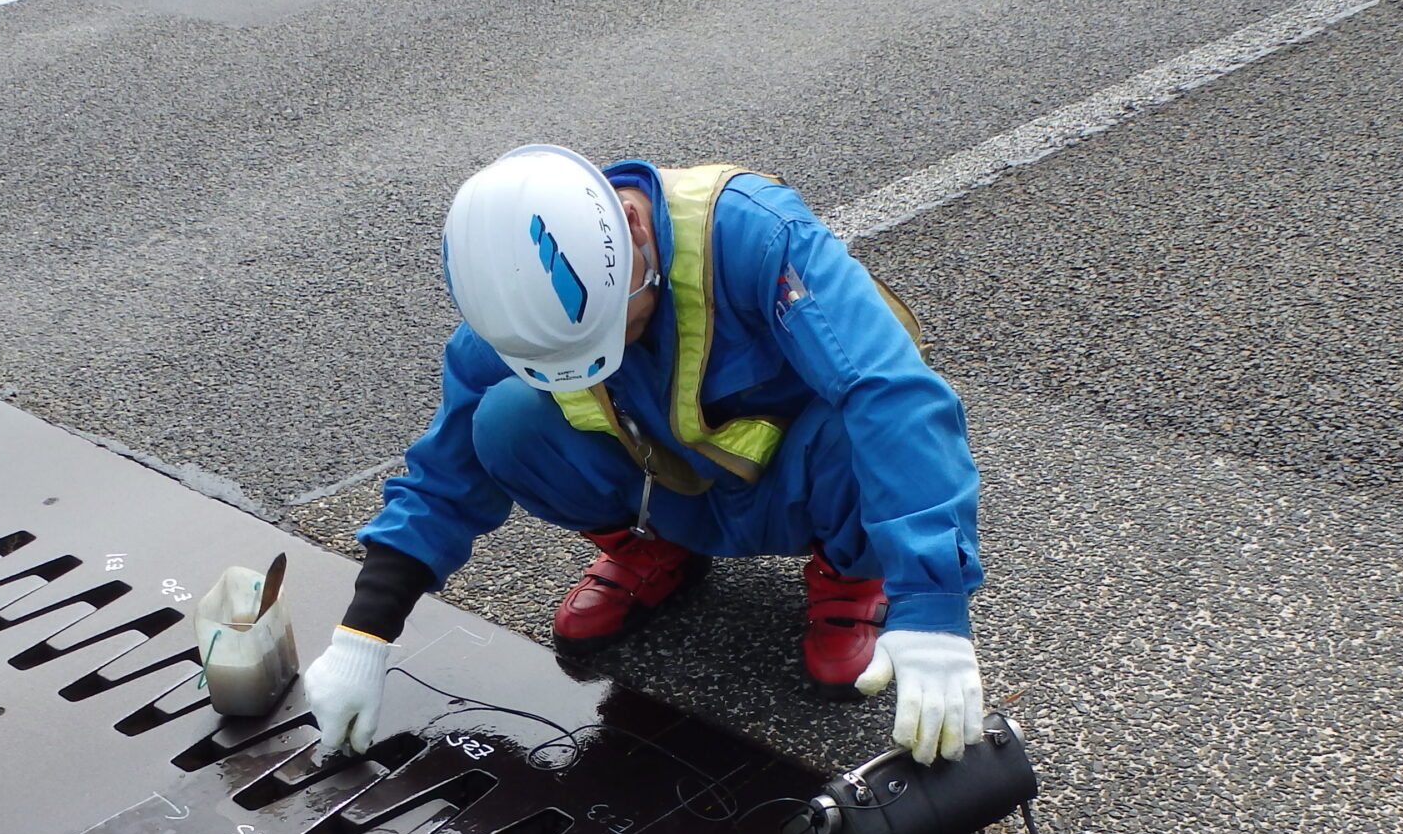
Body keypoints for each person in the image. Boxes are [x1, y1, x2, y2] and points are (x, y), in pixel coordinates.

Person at [299, 144, 987, 766]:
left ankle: (852, 575)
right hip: (671, 487)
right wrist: (364, 634)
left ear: (631, 229)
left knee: (860, 420)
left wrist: (932, 604)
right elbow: (445, 473)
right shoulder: (520, 311)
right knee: (504, 421)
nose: (606, 357)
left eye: (610, 330)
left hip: (798, 483)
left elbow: (891, 393)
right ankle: (654, 551)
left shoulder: (755, 234)